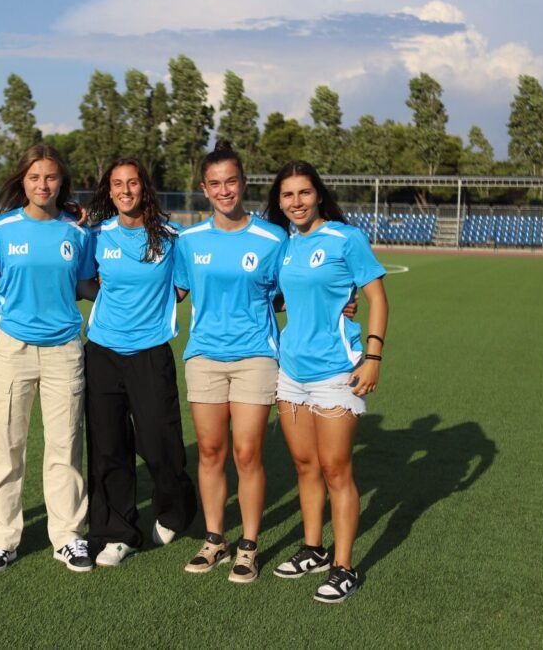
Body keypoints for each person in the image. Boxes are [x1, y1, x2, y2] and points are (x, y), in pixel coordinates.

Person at [263, 159, 389, 603]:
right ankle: (313, 548)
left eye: (303, 193)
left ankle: (344, 566)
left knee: (337, 470)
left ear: (318, 194)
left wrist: (372, 356)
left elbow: (376, 296)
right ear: (279, 201)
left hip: (337, 372)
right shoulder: (284, 245)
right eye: (287, 195)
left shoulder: (345, 237)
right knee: (305, 466)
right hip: (291, 373)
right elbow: (282, 297)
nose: (296, 202)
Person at [0, 144, 96, 574]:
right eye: (34, 177)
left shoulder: (78, 233)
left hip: (65, 348)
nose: (42, 185)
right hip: (12, 348)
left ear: (61, 182)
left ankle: (68, 537)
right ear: (22, 181)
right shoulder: (0, 230)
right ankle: (0, 539)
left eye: (50, 177)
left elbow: (88, 285)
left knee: (65, 446)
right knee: (5, 447)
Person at [172, 140, 287, 583]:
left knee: (247, 452)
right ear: (204, 188)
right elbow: (176, 290)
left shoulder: (272, 239)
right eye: (216, 183)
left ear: (244, 182)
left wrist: (343, 302)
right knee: (210, 450)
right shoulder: (189, 240)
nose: (225, 191)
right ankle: (215, 538)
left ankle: (249, 545)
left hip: (256, 357)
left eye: (232, 181)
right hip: (203, 357)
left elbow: (290, 291)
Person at [82, 158, 197, 567]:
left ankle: (175, 510)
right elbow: (81, 280)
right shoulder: (95, 235)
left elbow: (185, 286)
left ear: (144, 187)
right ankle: (118, 532)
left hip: (150, 353)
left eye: (132, 183)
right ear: (109, 191)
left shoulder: (172, 236)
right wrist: (116, 302)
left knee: (159, 445)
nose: (125, 190)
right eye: (117, 184)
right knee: (109, 447)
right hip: (102, 352)